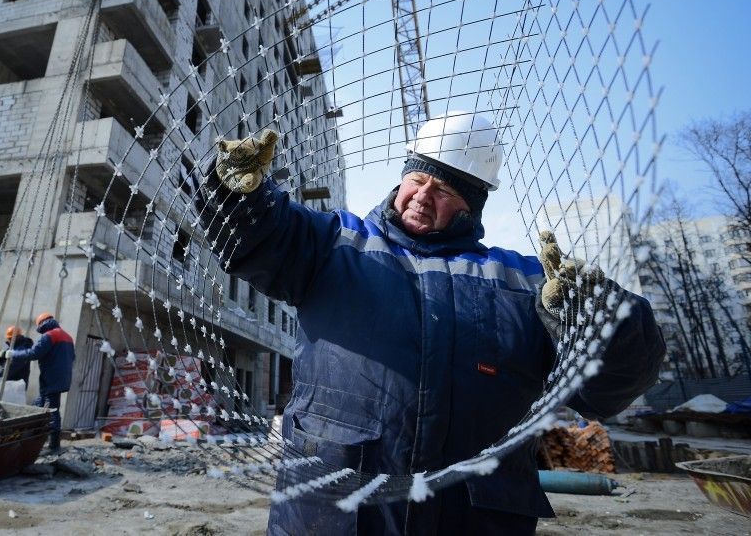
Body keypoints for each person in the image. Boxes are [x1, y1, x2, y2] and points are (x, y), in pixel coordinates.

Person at [197, 111, 665, 535]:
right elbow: (259, 236)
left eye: (442, 190)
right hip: (332, 517)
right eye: (416, 179)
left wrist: (610, 320)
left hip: (472, 520)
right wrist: (237, 196)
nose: (422, 195)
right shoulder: (334, 246)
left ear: (471, 205)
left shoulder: (526, 284)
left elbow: (604, 390)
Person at [1, 312, 75, 452]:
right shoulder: (68, 337)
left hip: (51, 379)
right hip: (62, 378)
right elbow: (72, 357)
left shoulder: (49, 336)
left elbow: (33, 354)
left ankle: (54, 446)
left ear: (42, 323)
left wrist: (13, 354)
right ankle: (33, 439)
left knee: (52, 411)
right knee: (37, 406)